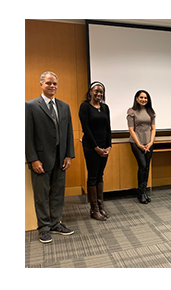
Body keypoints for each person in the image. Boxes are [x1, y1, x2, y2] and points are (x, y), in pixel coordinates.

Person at [26, 71, 75, 244]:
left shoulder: (64, 106)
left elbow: (69, 132)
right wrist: (33, 159)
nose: (52, 86)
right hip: (41, 159)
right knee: (41, 195)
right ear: (41, 85)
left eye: (54, 83)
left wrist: (69, 155)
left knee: (57, 193)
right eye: (48, 83)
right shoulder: (30, 106)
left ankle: (56, 223)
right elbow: (27, 135)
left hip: (61, 158)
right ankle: (44, 228)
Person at [79, 81, 111, 220]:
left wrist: (109, 146)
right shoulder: (85, 106)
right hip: (91, 147)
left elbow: (108, 128)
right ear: (90, 92)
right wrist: (96, 148)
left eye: (101, 92)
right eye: (96, 91)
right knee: (92, 177)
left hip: (105, 147)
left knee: (100, 176)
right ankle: (94, 210)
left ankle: (101, 206)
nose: (98, 94)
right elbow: (86, 129)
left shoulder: (105, 107)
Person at [127, 90, 156, 204]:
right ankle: (141, 192)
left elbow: (153, 128)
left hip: (148, 143)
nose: (144, 100)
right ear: (137, 98)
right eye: (141, 97)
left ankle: (143, 192)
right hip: (136, 143)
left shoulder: (150, 111)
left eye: (145, 98)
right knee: (142, 166)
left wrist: (151, 142)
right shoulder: (132, 112)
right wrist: (139, 144)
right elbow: (131, 130)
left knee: (147, 167)